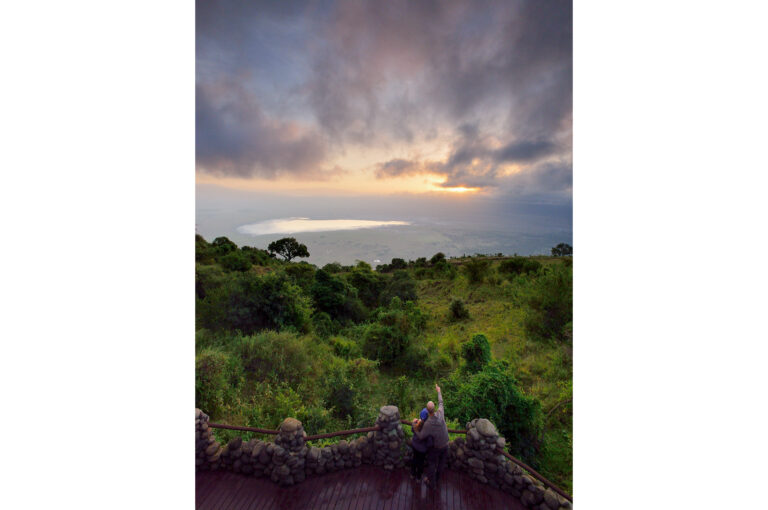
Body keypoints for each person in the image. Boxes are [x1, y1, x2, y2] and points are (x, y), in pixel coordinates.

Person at [413, 384, 449, 489]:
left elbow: (421, 436)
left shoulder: (428, 423)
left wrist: (414, 426)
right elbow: (441, 402)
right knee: (441, 463)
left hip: (437, 447)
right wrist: (439, 391)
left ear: (427, 411)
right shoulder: (441, 413)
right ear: (435, 408)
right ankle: (437, 480)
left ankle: (431, 483)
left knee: (432, 463)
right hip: (446, 443)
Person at [410, 408, 433, 481]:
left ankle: (412, 474)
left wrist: (414, 422)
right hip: (423, 449)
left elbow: (412, 430)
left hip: (414, 445)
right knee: (421, 463)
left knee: (414, 459)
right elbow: (430, 442)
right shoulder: (429, 428)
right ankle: (418, 477)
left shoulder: (417, 423)